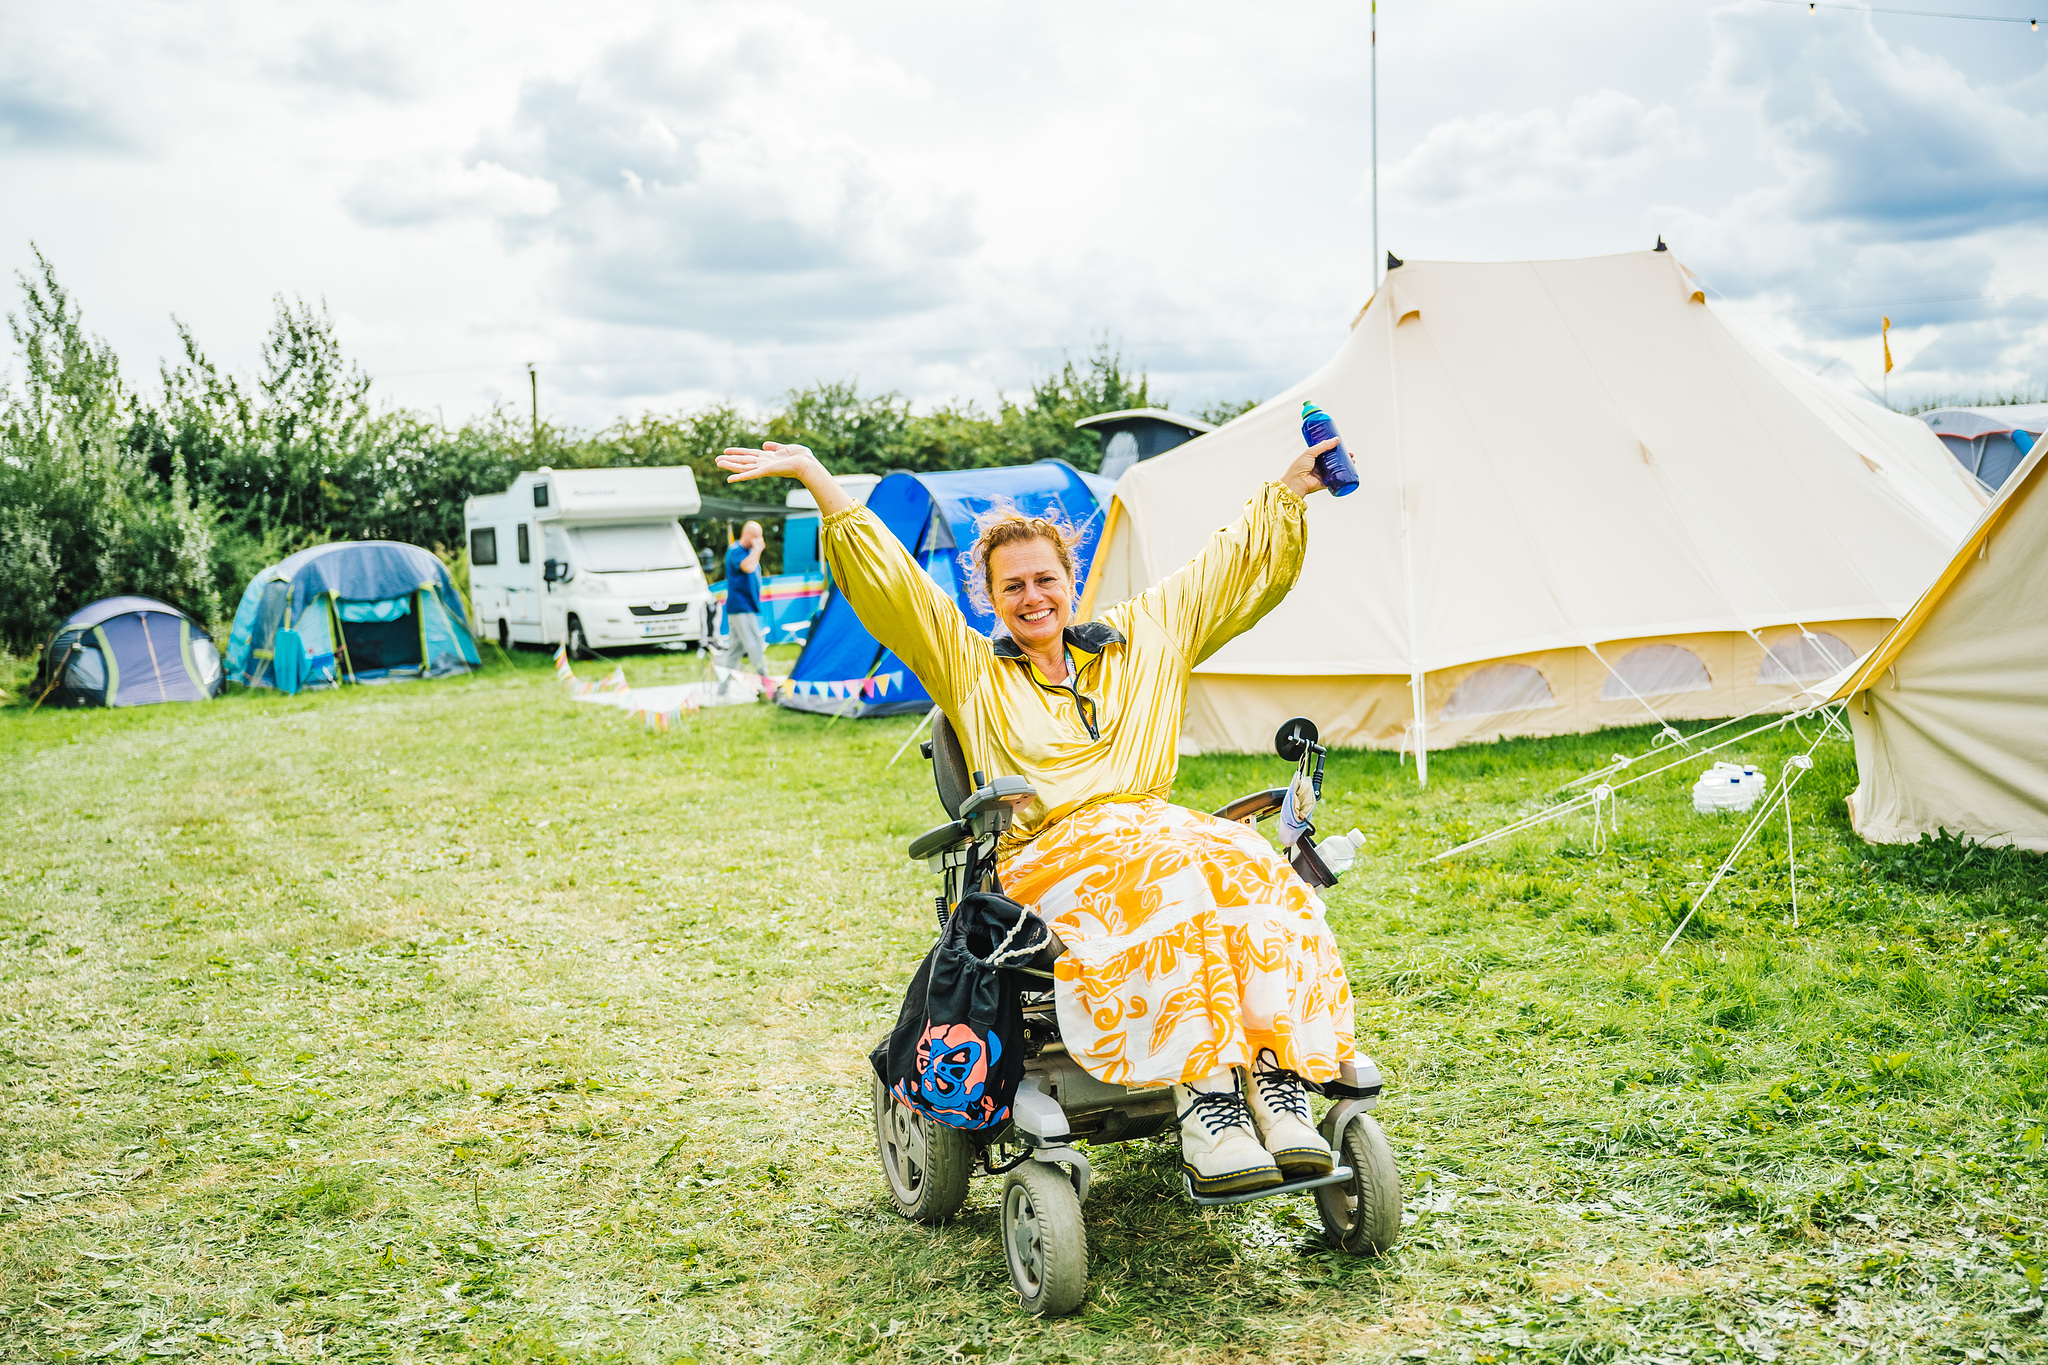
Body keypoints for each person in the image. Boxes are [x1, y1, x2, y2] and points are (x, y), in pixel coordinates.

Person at [716, 437, 1355, 1198]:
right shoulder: (971, 669)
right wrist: (816, 477)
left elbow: (1225, 570)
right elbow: (897, 590)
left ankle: (1278, 1087)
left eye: (1045, 579)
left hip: (1157, 830)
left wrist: (1290, 490)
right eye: (1012, 586)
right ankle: (1208, 1107)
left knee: (1253, 862)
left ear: (1071, 579)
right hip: (1049, 855)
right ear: (990, 598)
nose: (1032, 597)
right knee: (1173, 874)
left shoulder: (1142, 640)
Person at [716, 520, 771, 691]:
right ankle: (767, 685)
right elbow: (748, 567)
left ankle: (722, 689)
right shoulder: (735, 551)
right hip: (741, 608)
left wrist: (755, 551)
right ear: (745, 534)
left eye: (760, 537)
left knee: (734, 651)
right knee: (755, 645)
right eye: (755, 537)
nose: (758, 541)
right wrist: (757, 550)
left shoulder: (749, 552)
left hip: (746, 606)